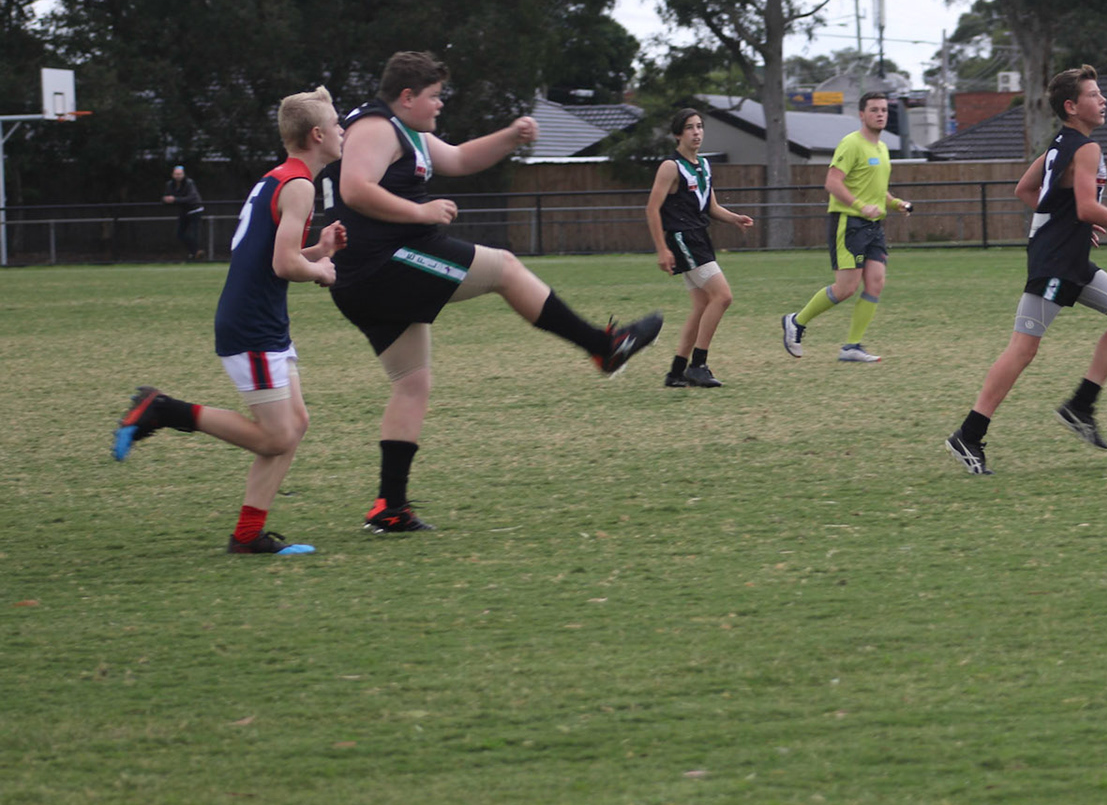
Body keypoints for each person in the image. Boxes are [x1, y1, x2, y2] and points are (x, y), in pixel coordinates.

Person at [319, 51, 662, 534]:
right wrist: (421, 212)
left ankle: (389, 507)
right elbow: (355, 189)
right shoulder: (376, 127)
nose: (441, 104)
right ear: (407, 96)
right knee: (505, 268)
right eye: (435, 96)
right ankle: (602, 347)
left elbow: (459, 158)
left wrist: (511, 136)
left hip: (370, 273)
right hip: (383, 264)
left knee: (412, 383)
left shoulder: (404, 130)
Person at [114, 88, 349, 554]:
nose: (343, 131)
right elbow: (284, 265)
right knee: (276, 436)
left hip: (263, 321)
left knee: (295, 424)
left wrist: (318, 251)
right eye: (337, 124)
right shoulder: (299, 186)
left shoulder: (279, 179)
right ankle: (162, 409)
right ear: (317, 135)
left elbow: (270, 257)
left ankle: (247, 536)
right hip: (252, 325)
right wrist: (321, 270)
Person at [945, 65, 1107, 475]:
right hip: (1055, 261)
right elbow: (1085, 207)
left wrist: (1069, 223)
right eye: (1093, 95)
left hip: (1070, 258)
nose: (1102, 100)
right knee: (1023, 349)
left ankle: (1080, 406)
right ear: (1071, 106)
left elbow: (1025, 190)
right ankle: (969, 434)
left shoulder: (1059, 145)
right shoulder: (1085, 148)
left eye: (1101, 94)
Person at [780, 91, 912, 363]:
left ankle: (851, 346)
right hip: (849, 222)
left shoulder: (882, 148)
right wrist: (860, 206)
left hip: (874, 225)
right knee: (845, 288)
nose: (880, 114)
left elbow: (877, 190)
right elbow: (832, 182)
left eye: (884, 110)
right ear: (862, 115)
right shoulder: (851, 143)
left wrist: (895, 203)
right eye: (874, 110)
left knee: (876, 282)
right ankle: (796, 321)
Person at [646, 108, 755, 387]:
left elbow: (711, 207)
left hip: (699, 238)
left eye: (699, 126)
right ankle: (698, 365)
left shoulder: (704, 165)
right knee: (723, 296)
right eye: (690, 128)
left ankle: (676, 372)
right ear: (677, 134)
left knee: (702, 305)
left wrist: (735, 218)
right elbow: (652, 209)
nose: (696, 132)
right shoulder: (671, 167)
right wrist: (662, 249)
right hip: (683, 239)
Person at [163, 164, 205, 259]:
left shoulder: (189, 183)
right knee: (180, 234)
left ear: (183, 174)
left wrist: (175, 199)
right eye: (176, 174)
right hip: (184, 210)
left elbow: (192, 197)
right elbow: (166, 197)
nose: (178, 176)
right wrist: (166, 199)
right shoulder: (170, 184)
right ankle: (195, 252)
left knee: (194, 234)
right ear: (172, 175)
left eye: (180, 174)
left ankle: (195, 253)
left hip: (195, 210)